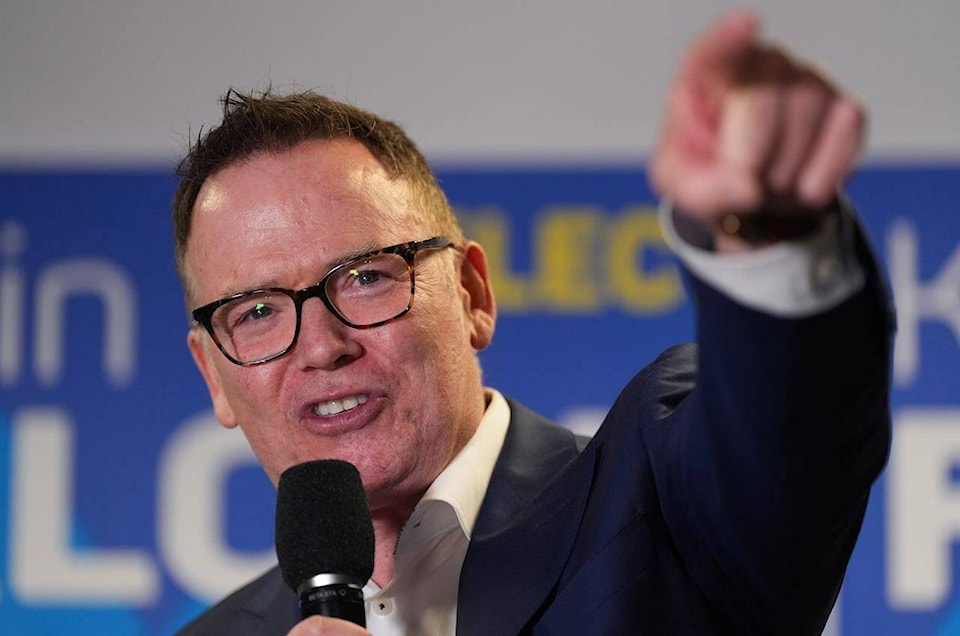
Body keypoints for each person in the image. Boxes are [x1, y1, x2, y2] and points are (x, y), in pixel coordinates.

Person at [174, 11, 892, 636]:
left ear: (472, 295)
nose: (322, 346)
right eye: (257, 312)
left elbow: (784, 431)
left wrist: (769, 237)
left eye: (365, 277)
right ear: (213, 376)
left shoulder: (658, 504)